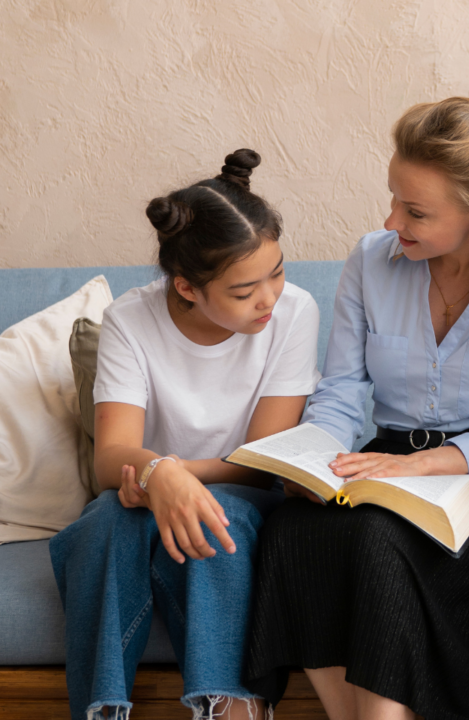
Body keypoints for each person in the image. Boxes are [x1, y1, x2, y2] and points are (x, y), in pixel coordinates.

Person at [243, 98, 469, 720]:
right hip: (385, 457)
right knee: (291, 531)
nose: (392, 219)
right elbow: (343, 388)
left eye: (416, 211)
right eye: (394, 197)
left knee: (376, 537)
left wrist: (432, 466)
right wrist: (317, 460)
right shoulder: (370, 260)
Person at [49, 150, 321, 720]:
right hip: (142, 498)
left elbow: (262, 460)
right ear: (188, 288)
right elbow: (111, 460)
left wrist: (169, 475)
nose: (269, 297)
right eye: (246, 291)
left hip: (242, 499)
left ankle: (231, 707)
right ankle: (102, 710)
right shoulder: (131, 319)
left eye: (276, 272)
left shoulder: (295, 313)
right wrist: (156, 476)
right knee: (102, 523)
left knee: (212, 515)